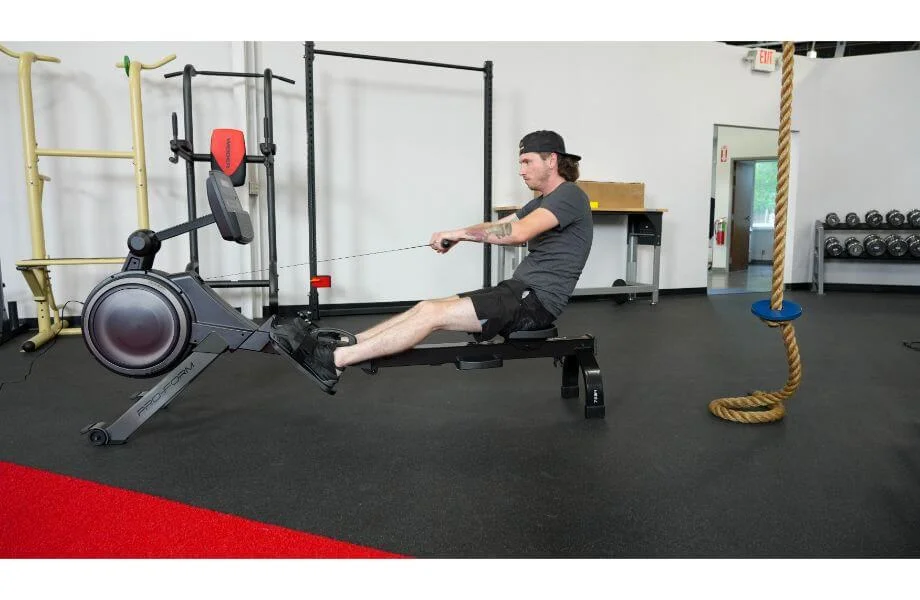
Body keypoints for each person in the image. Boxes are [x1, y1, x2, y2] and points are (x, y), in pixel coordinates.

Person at [270, 130, 594, 393]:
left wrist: (460, 234)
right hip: (518, 292)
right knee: (426, 307)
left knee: (432, 316)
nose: (521, 170)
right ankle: (342, 346)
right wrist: (459, 234)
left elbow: (518, 232)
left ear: (552, 160)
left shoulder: (569, 195)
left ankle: (335, 361)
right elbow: (501, 223)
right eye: (520, 162)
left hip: (534, 305)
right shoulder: (544, 201)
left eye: (527, 161)